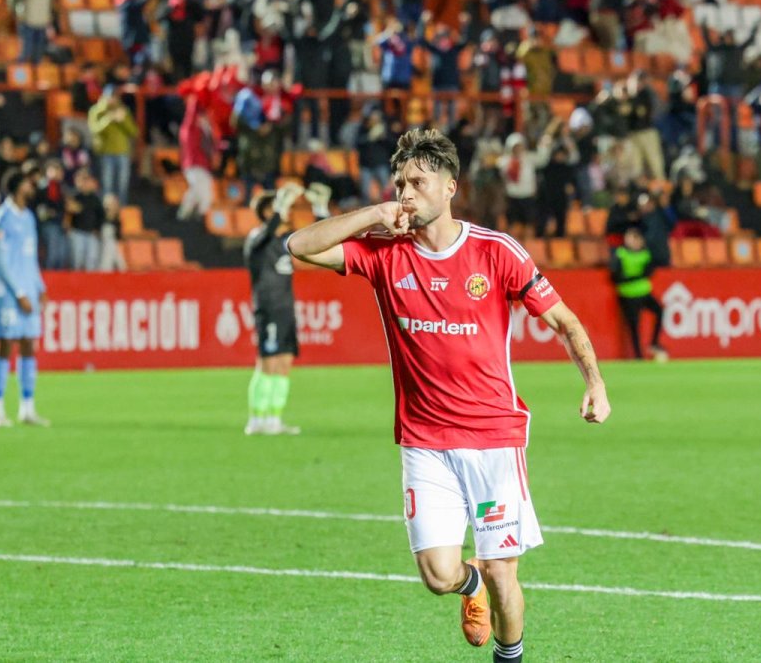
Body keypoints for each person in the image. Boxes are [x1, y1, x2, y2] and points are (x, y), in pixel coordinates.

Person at [286, 129, 611, 663]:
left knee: (504, 572)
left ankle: (511, 657)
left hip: (492, 439)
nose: (406, 193)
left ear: (450, 186)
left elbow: (563, 320)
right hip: (424, 442)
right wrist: (373, 215)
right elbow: (298, 246)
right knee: (439, 575)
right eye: (399, 184)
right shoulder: (384, 255)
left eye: (417, 182)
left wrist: (595, 383)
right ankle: (468, 587)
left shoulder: (496, 252)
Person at [0, 169, 49, 428]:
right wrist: (19, 293)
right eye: (26, 182)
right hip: (8, 294)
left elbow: (30, 257)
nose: (31, 185)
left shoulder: (29, 218)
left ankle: (27, 407)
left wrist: (39, 287)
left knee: (28, 345)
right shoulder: (2, 218)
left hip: (28, 290)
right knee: (5, 345)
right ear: (16, 187)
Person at [244, 184, 304, 436]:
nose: (286, 212)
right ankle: (256, 418)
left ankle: (274, 419)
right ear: (268, 212)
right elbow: (266, 232)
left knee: (284, 362)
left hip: (285, 308)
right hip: (268, 307)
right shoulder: (256, 239)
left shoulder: (283, 242)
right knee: (267, 363)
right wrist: (280, 208)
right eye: (280, 207)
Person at [610, 226, 666, 361]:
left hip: (643, 292)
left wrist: (635, 277)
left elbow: (651, 270)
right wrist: (637, 277)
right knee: (634, 326)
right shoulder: (621, 254)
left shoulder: (645, 254)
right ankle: (638, 356)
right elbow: (616, 277)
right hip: (628, 295)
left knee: (659, 310)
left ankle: (654, 342)